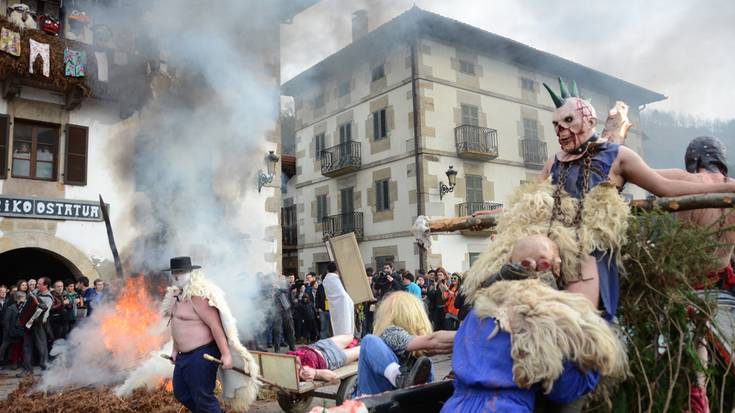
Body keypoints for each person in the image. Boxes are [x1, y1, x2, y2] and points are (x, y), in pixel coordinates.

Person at [467, 77, 735, 321]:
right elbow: (527, 205)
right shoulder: (554, 163)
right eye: (556, 125)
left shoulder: (619, 156)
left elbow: (665, 187)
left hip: (591, 251)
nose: (560, 130)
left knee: (576, 324)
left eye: (568, 121)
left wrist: (727, 189)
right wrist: (496, 214)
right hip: (551, 248)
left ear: (590, 122)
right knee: (511, 314)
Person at [442, 235, 627, 413]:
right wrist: (594, 360)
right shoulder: (548, 317)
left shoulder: (477, 312)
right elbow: (564, 389)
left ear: (509, 262)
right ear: (554, 267)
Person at [656, 136, 735, 412]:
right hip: (719, 287)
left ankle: (699, 395)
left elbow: (640, 173)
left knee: (694, 342)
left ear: (695, 160)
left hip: (687, 285)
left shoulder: (686, 180)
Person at [162, 256, 259, 412]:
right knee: (181, 393)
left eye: (181, 271)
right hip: (183, 356)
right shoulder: (174, 297)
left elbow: (216, 327)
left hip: (202, 354)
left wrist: (226, 354)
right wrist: (174, 350)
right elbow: (176, 325)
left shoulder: (198, 297)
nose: (177, 275)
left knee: (203, 396)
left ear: (191, 273)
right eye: (174, 271)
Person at [355, 291, 455, 396]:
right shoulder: (390, 333)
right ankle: (398, 377)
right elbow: (432, 342)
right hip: (371, 400)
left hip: (395, 400)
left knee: (424, 361)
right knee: (369, 340)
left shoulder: (419, 354)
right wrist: (466, 335)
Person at [288, 334, 359, 383]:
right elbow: (334, 377)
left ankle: (352, 346)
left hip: (318, 346)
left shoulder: (284, 361)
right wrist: (316, 373)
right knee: (362, 348)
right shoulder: (304, 373)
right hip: (331, 358)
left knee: (352, 337)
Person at [322, 262, 354, 336]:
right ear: (337, 270)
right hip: (343, 305)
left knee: (338, 327)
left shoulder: (326, 280)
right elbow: (342, 295)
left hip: (335, 306)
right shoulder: (334, 278)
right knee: (345, 327)